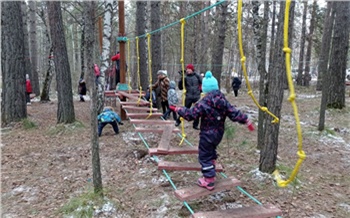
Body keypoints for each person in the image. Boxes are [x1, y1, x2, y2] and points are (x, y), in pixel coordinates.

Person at [169, 71, 255, 191]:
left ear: (205, 89)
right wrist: (245, 120)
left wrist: (178, 109)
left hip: (207, 134)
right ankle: (212, 165)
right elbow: (234, 113)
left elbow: (191, 114)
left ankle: (209, 180)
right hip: (218, 133)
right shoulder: (223, 101)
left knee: (204, 156)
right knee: (211, 150)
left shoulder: (204, 103)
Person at [175, 64, 202, 130]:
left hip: (196, 96)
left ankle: (195, 125)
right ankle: (178, 121)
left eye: (189, 69)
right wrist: (181, 78)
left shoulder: (197, 76)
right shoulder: (185, 77)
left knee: (197, 110)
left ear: (192, 70)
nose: (188, 70)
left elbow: (201, 83)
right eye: (187, 69)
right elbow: (180, 87)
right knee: (184, 110)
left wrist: (200, 91)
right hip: (189, 96)